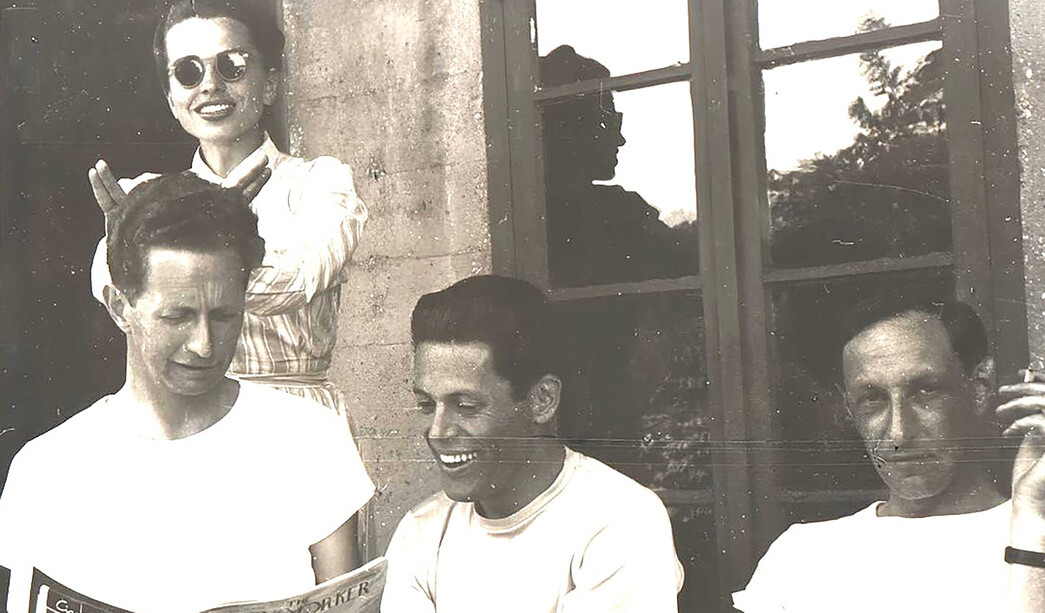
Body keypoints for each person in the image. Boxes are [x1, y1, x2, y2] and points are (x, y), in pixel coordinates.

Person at [0, 174, 375, 613]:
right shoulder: (47, 469)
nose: (204, 344)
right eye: (177, 316)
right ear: (121, 307)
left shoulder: (308, 437)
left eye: (223, 315)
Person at [88, 0, 367, 423]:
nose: (210, 86)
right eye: (188, 72)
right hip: (187, 418)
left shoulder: (321, 182)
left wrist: (208, 235)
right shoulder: (143, 193)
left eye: (232, 65)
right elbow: (112, 288)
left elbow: (302, 277)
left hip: (295, 419)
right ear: (170, 98)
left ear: (269, 84)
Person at [732, 293, 1045, 613]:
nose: (899, 432)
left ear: (979, 388)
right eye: (872, 399)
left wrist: (1033, 520)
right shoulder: (801, 557)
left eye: (926, 391)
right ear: (849, 408)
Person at [380, 275, 685, 612]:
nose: (438, 431)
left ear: (542, 400)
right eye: (427, 404)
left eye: (465, 406)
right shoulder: (421, 532)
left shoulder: (620, 521)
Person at [540, 45, 698, 287]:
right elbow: (687, 257)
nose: (620, 139)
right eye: (607, 122)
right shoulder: (617, 213)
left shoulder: (528, 213)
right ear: (569, 131)